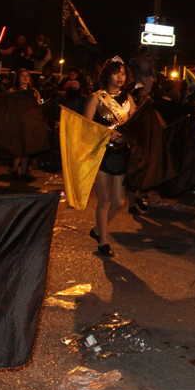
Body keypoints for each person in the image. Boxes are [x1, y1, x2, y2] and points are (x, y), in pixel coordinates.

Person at [82, 56, 136, 256]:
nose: (120, 77)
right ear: (107, 75)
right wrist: (106, 132)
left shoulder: (128, 100)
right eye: (115, 72)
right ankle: (103, 241)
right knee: (104, 200)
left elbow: (135, 126)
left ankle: (98, 230)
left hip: (121, 153)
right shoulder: (96, 98)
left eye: (122, 73)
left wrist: (126, 136)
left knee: (119, 202)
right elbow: (85, 127)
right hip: (101, 151)